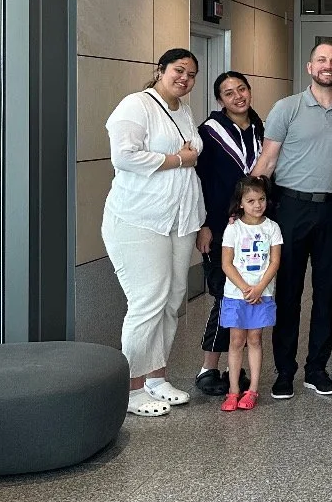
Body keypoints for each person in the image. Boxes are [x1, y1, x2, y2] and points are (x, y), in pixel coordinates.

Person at [252, 41, 332, 400]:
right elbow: (266, 163)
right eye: (321, 61)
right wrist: (247, 214)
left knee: (327, 293)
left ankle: (317, 369)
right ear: (310, 67)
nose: (328, 66)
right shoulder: (288, 108)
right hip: (291, 210)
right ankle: (285, 372)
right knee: (289, 293)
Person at [101, 47, 204, 417]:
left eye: (191, 75)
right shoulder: (136, 105)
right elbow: (123, 156)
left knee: (173, 298)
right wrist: (178, 159)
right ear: (160, 70)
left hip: (179, 219)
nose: (184, 79)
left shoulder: (185, 110)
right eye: (178, 70)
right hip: (138, 219)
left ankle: (156, 379)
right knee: (148, 300)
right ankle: (129, 390)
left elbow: (191, 161)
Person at [194, 71, 264, 396]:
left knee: (250, 296)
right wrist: (205, 223)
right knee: (225, 296)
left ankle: (238, 369)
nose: (237, 96)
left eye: (241, 89)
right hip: (220, 228)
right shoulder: (209, 134)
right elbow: (198, 183)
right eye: (228, 92)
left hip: (255, 231)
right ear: (219, 100)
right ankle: (209, 367)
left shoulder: (262, 129)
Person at [219, 176, 283, 413]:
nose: (257, 205)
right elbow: (227, 263)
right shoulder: (233, 228)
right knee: (236, 340)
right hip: (236, 295)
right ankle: (233, 390)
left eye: (262, 199)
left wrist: (259, 289)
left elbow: (275, 262)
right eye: (251, 200)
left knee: (255, 338)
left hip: (262, 293)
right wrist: (246, 288)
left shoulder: (272, 228)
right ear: (241, 203)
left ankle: (253, 389)